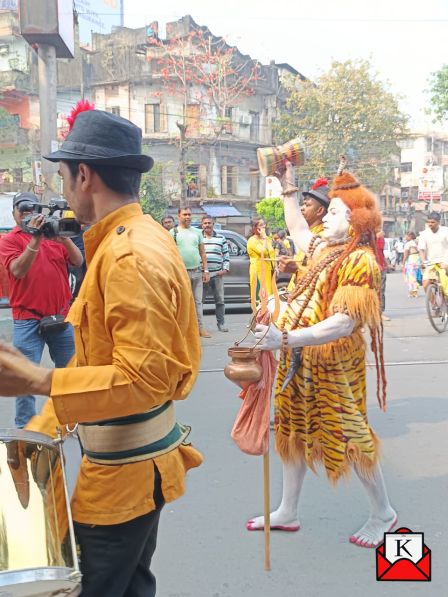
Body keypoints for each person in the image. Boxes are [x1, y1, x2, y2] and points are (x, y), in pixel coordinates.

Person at [0, 106, 203, 597]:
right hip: (126, 474)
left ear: (85, 176)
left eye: (65, 177)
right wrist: (35, 439)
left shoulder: (129, 255)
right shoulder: (128, 239)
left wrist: (38, 380)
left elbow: (142, 380)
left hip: (124, 480)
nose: (63, 190)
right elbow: (97, 366)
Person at [247, 158, 396, 549]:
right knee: (291, 431)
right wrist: (288, 186)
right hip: (298, 360)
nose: (325, 218)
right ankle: (288, 510)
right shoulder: (324, 249)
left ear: (357, 221)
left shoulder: (360, 261)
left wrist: (284, 340)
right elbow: (297, 227)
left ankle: (384, 514)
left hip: (332, 366)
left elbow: (343, 324)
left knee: (352, 436)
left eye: (333, 212)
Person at [0, 191, 83, 428]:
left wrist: (63, 237)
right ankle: (25, 427)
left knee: (68, 373)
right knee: (24, 376)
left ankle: (69, 420)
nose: (27, 214)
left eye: (31, 210)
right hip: (28, 319)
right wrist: (35, 239)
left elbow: (77, 261)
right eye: (22, 210)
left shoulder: (53, 235)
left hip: (60, 317)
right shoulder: (10, 240)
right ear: (14, 213)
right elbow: (17, 271)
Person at [278, 178, 329, 290]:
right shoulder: (308, 234)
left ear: (320, 211)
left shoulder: (324, 238)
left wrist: (296, 269)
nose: (302, 208)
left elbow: (323, 276)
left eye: (307, 205)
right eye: (303, 204)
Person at [171, 207, 211, 338]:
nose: (188, 217)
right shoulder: (173, 232)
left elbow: (202, 253)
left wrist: (206, 270)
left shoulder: (197, 232)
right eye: (185, 214)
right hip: (181, 273)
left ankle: (200, 328)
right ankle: (183, 330)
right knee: (182, 302)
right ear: (179, 216)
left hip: (198, 272)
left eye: (189, 214)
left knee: (198, 302)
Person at [201, 215, 230, 332]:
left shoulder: (221, 238)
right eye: (205, 223)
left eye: (209, 223)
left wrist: (225, 269)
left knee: (220, 300)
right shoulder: (199, 238)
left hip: (217, 274)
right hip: (203, 275)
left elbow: (226, 255)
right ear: (202, 225)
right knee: (199, 301)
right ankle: (199, 326)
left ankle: (221, 324)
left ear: (213, 224)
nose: (207, 225)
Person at [247, 217, 276, 304]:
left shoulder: (266, 239)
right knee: (260, 299)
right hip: (258, 272)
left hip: (268, 270)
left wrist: (275, 267)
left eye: (264, 225)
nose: (264, 227)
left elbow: (271, 252)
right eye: (261, 225)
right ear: (255, 227)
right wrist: (264, 239)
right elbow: (262, 251)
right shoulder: (252, 240)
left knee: (269, 298)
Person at [418, 212, 448, 294]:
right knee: (425, 284)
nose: (430, 224)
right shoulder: (424, 234)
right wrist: (424, 262)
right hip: (431, 263)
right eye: (429, 222)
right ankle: (434, 304)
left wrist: (446, 262)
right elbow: (421, 250)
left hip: (445, 261)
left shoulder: (445, 231)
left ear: (438, 222)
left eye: (433, 222)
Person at [375, 230, 390, 321]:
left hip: (381, 266)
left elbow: (380, 252)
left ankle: (380, 313)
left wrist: (385, 263)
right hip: (369, 265)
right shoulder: (366, 236)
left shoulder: (381, 237)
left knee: (381, 290)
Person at [403, 231, 422, 297]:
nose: (405, 237)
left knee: (411, 276)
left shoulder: (408, 244)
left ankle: (413, 291)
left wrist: (403, 262)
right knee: (415, 276)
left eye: (406, 236)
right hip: (418, 259)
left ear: (410, 236)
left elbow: (406, 254)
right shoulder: (416, 242)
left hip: (411, 259)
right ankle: (414, 291)